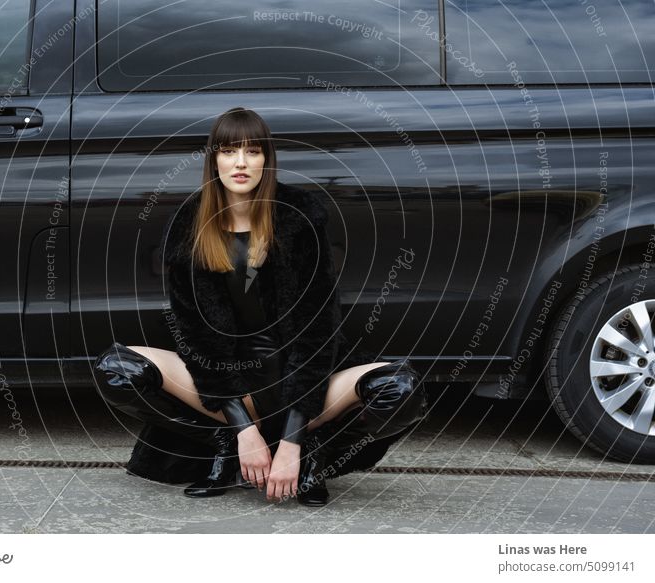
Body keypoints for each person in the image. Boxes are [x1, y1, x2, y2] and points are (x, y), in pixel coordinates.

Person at [93, 107, 428, 506]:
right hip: (231, 387)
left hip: (307, 385)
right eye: (229, 150)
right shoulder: (189, 226)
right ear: (213, 158)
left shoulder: (298, 218)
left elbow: (318, 332)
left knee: (402, 388)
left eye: (252, 151)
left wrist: (292, 442)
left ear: (266, 159)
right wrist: (241, 430)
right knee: (117, 369)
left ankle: (312, 454)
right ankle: (224, 442)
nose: (240, 162)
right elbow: (196, 339)